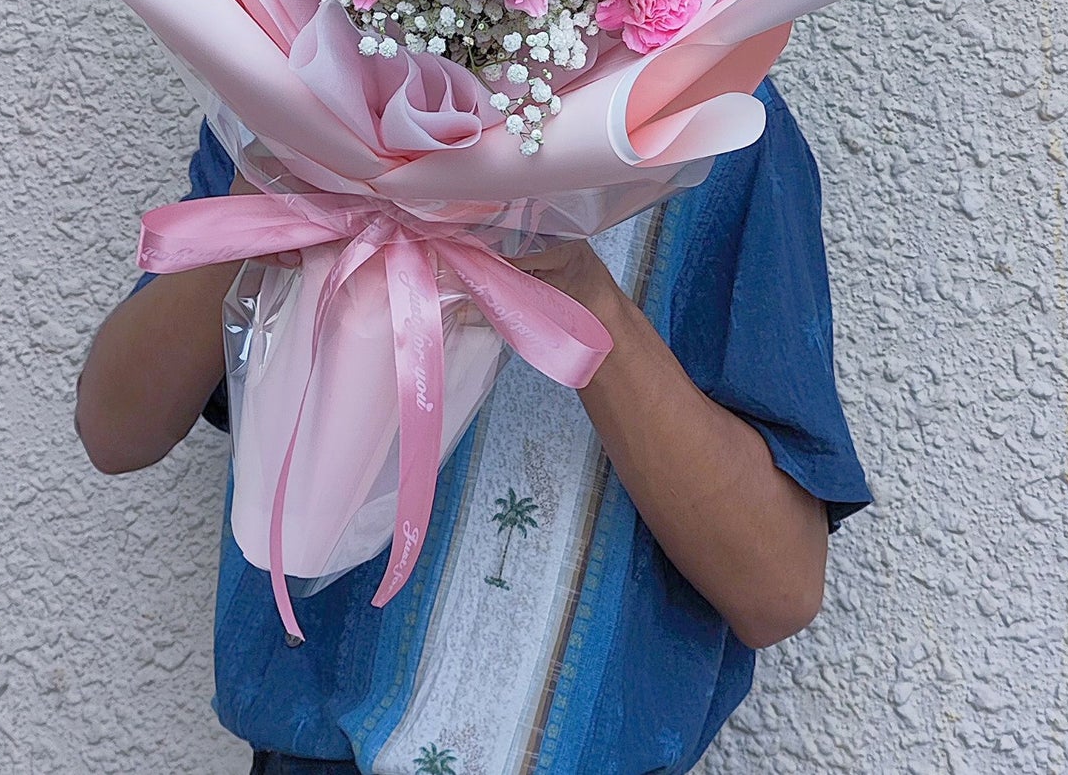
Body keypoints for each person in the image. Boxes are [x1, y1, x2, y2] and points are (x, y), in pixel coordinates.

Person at [75, 77, 873, 775]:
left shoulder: (716, 128)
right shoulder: (287, 84)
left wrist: (583, 300)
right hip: (311, 753)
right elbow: (116, 431)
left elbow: (777, 589)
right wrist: (274, 199)